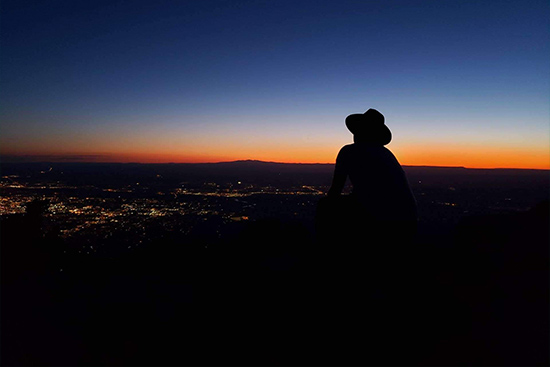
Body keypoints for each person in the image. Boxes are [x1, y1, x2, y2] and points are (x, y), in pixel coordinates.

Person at [326, 108, 417, 243]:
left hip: (380, 218)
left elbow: (335, 190)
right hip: (407, 219)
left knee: (325, 207)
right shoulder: (386, 154)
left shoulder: (349, 151)